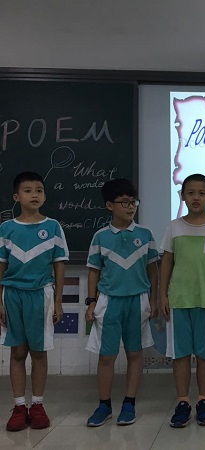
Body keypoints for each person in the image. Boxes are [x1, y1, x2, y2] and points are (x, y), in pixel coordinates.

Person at [85, 178, 159, 427]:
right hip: (108, 302)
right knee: (106, 356)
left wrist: (154, 299)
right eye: (124, 202)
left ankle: (129, 404)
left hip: (138, 301)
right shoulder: (100, 236)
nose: (130, 207)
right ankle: (104, 406)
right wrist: (91, 302)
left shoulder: (145, 234)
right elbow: (94, 271)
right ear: (110, 205)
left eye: (133, 202)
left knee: (135, 354)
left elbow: (153, 271)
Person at [160, 173, 205, 428]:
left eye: (202, 193)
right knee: (180, 354)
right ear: (182, 196)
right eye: (190, 193)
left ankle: (203, 400)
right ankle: (183, 401)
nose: (196, 197)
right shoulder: (174, 227)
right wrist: (162, 295)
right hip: (178, 300)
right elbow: (167, 261)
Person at [0, 171, 69, 431]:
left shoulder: (53, 227)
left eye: (39, 190)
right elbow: (1, 266)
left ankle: (37, 405)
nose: (34, 195)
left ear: (45, 196)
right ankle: (19, 406)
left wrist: (58, 300)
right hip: (12, 295)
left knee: (39, 352)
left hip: (41, 294)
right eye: (27, 190)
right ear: (16, 197)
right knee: (18, 352)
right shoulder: (6, 229)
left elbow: (59, 265)